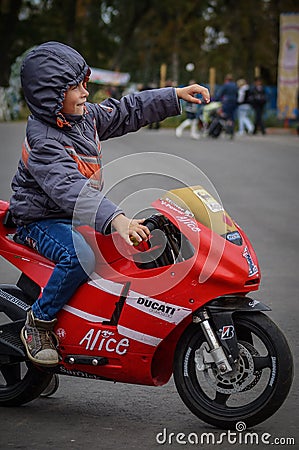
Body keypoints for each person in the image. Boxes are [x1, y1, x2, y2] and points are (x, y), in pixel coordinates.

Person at [9, 41, 210, 367]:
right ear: (51, 96)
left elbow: (126, 111)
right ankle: (40, 323)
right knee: (79, 256)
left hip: (77, 215)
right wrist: (116, 217)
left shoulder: (82, 117)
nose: (86, 93)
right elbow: (69, 188)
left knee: (132, 245)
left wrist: (174, 96)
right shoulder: (44, 139)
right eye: (75, 88)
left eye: (85, 84)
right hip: (41, 220)